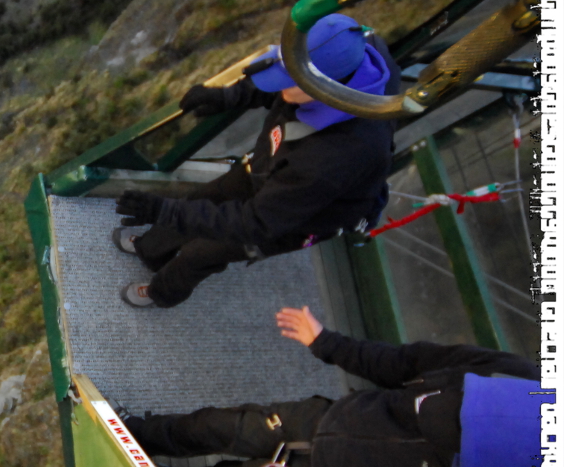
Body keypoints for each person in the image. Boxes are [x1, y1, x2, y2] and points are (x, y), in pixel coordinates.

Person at [114, 13, 399, 308]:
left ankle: (163, 293)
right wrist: (228, 96)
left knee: (205, 252)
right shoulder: (354, 55)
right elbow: (277, 82)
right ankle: (151, 250)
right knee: (202, 198)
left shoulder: (336, 157)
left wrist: (165, 211)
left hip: (294, 217)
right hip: (268, 168)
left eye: (290, 82)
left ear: (326, 92)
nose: (280, 87)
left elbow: (256, 223)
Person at [121, 306, 547, 467]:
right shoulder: (512, 373)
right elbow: (407, 361)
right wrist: (328, 343)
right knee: (211, 426)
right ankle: (130, 431)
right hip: (324, 418)